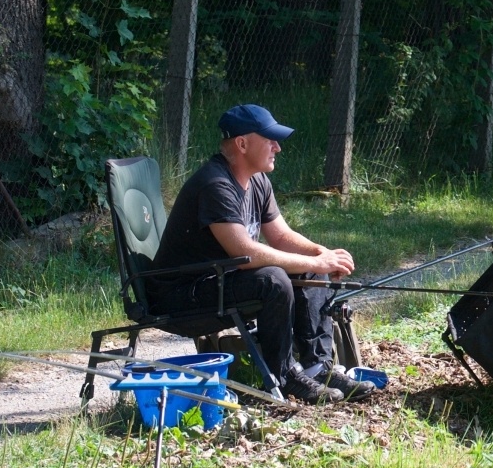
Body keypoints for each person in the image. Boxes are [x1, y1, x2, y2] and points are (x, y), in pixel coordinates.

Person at [151, 103, 370, 404]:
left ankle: (318, 368)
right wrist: (317, 260)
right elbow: (244, 252)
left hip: (218, 282)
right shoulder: (215, 184)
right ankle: (285, 376)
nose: (277, 147)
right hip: (181, 295)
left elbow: (280, 237)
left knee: (309, 268)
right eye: (270, 140)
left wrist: (322, 254)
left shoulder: (257, 180)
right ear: (242, 144)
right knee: (273, 279)